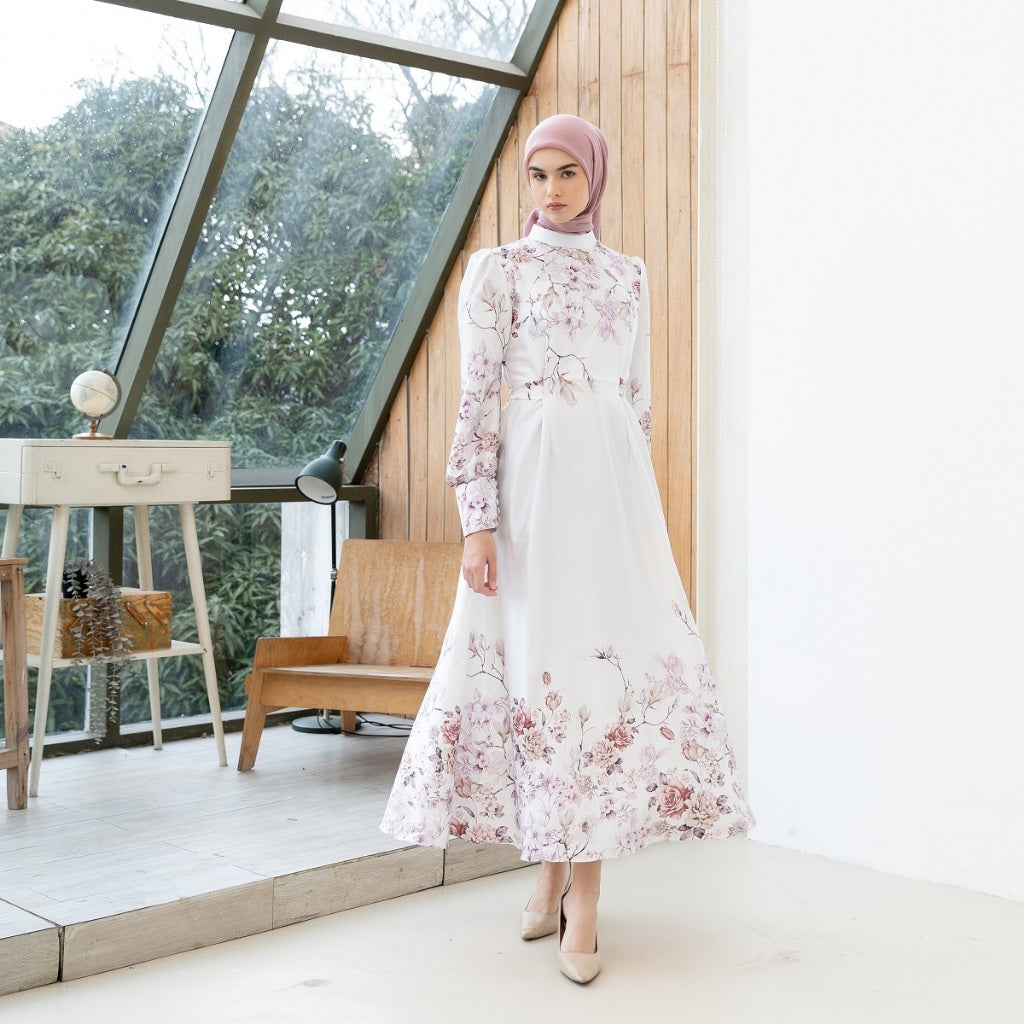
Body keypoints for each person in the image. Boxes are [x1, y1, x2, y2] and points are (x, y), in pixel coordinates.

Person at [381, 114, 754, 984]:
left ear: (596, 178)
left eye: (568, 174)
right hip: (532, 492)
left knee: (603, 674)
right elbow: (476, 402)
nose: (551, 190)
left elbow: (639, 401)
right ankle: (552, 873)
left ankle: (581, 892)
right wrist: (477, 520)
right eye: (537, 174)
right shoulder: (499, 270)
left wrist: (635, 510)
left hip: (613, 495)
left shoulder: (630, 274)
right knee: (544, 672)